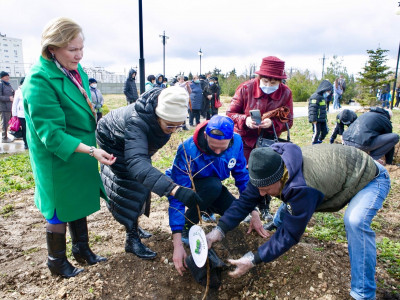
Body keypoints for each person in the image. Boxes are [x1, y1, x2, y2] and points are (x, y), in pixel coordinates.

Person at [206, 143, 390, 300]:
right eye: (259, 189)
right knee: (292, 201)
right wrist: (219, 230)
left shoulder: (303, 188)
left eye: (266, 189)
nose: (261, 194)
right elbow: (246, 200)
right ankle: (276, 222)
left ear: (280, 177)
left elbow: (291, 234)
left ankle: (363, 293)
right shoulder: (268, 165)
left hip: (370, 178)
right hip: (340, 168)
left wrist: (254, 259)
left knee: (355, 221)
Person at [22, 17, 116, 278]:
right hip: (58, 156)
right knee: (58, 208)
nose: (79, 55)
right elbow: (51, 135)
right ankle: (57, 261)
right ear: (52, 48)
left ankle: (82, 249)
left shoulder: (74, 70)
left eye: (81, 48)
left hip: (82, 149)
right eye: (72, 50)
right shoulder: (39, 80)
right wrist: (90, 150)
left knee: (78, 200)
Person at [96, 86, 202, 260]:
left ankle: (134, 226)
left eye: (179, 126)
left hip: (131, 143)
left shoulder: (161, 118)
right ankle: (131, 238)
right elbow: (137, 164)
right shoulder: (137, 122)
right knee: (129, 185)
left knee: (145, 180)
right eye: (170, 125)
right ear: (158, 115)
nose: (174, 130)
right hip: (112, 139)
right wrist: (174, 189)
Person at [166, 115, 268, 275]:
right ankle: (188, 224)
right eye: (214, 148)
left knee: (236, 213)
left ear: (230, 141)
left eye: (223, 148)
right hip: (193, 188)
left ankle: (207, 209)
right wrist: (177, 243)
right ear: (206, 136)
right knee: (212, 186)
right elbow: (177, 196)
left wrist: (253, 210)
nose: (218, 152)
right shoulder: (188, 149)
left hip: (213, 189)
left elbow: (242, 176)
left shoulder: (237, 142)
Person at [227, 56, 294, 222]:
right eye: (266, 81)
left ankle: (264, 206)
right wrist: (245, 121)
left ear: (280, 80)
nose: (269, 86)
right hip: (245, 140)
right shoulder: (245, 88)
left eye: (274, 83)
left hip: (268, 140)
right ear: (259, 78)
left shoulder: (286, 93)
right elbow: (230, 113)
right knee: (247, 174)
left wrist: (273, 123)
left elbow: (289, 120)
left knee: (267, 173)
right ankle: (250, 206)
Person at [308, 80, 332, 144]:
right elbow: (312, 109)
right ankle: (314, 143)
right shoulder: (315, 97)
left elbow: (323, 109)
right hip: (316, 120)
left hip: (322, 119)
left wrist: (325, 119)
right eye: (328, 91)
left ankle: (320, 140)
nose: (328, 93)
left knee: (325, 131)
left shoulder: (323, 98)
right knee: (316, 132)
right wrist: (313, 119)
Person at [11, 77, 28, 149]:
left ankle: (30, 142)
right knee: (24, 129)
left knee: (30, 129)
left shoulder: (29, 89)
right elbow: (15, 104)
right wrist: (14, 115)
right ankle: (26, 143)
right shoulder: (18, 91)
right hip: (22, 114)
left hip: (29, 114)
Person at [0, 71, 15, 143]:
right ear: (2, 77)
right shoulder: (1, 84)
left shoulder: (8, 85)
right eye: (6, 76)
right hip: (4, 107)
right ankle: (4, 138)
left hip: (9, 107)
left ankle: (6, 135)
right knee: (4, 123)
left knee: (7, 123)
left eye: (8, 76)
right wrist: (9, 98)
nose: (7, 77)